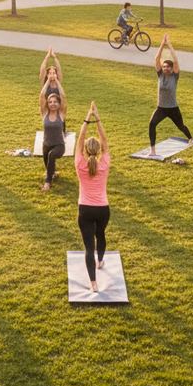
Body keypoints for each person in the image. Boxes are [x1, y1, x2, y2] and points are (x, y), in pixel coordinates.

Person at [75, 101, 111, 292]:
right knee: (101, 235)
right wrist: (97, 118)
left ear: (85, 150)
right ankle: (100, 261)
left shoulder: (80, 163)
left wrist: (87, 119)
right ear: (98, 151)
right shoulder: (104, 163)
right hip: (103, 210)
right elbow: (104, 141)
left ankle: (93, 284)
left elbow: (80, 140)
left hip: (85, 209)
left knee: (89, 247)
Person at [147, 34, 193, 158]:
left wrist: (169, 44)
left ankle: (190, 139)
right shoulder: (160, 75)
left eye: (167, 67)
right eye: (164, 67)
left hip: (173, 108)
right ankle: (153, 151)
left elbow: (176, 60)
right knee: (152, 124)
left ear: (171, 68)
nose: (165, 68)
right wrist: (162, 44)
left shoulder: (175, 76)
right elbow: (157, 59)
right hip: (161, 108)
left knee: (181, 126)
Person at [39, 82, 66, 191]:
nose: (52, 104)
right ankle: (53, 173)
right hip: (46, 145)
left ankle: (47, 183)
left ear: (59, 104)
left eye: (55, 102)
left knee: (52, 155)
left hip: (59, 146)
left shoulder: (61, 114)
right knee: (49, 166)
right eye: (50, 102)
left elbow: (63, 96)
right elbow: (42, 96)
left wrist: (57, 81)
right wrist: (48, 81)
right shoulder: (44, 113)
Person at [39, 47, 68, 134]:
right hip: (47, 110)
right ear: (47, 75)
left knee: (60, 130)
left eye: (54, 73)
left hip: (59, 109)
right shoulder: (44, 84)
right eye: (50, 73)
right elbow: (42, 70)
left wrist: (55, 57)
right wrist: (47, 57)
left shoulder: (58, 82)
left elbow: (59, 69)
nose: (52, 75)